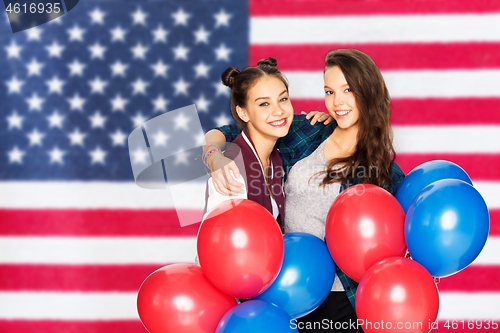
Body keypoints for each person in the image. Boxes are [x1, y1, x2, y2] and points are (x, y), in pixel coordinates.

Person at [203, 49, 405, 332]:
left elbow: (399, 243)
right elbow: (232, 130)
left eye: (348, 90)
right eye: (329, 91)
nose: (337, 102)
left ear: (368, 91)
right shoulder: (310, 130)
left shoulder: (384, 172)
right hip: (285, 291)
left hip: (342, 302)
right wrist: (212, 155)